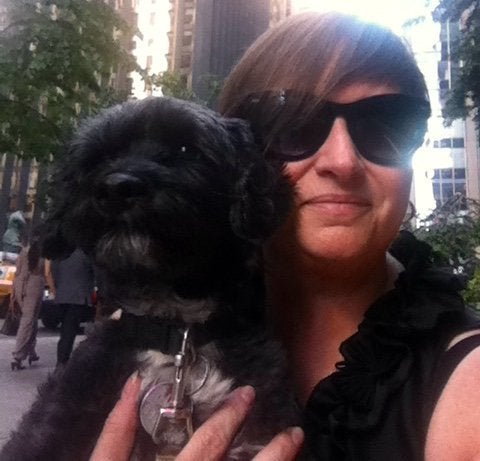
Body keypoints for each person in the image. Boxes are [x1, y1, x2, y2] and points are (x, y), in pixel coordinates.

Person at [94, 11, 480, 460]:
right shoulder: (147, 331)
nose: (343, 161)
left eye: (387, 125)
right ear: (232, 157)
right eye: (293, 126)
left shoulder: (467, 383)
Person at [47, 247, 95, 366]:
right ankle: (62, 362)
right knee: (69, 332)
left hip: (62, 296)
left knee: (65, 331)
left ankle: (61, 360)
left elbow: (52, 272)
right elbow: (93, 273)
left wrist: (57, 290)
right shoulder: (84, 253)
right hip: (78, 298)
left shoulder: (60, 254)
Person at [10, 226, 47, 370]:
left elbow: (17, 273)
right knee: (28, 321)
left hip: (20, 287)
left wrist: (14, 293)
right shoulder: (42, 255)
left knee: (31, 321)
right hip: (35, 288)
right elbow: (47, 272)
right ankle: (18, 356)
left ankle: (31, 351)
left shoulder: (23, 253)